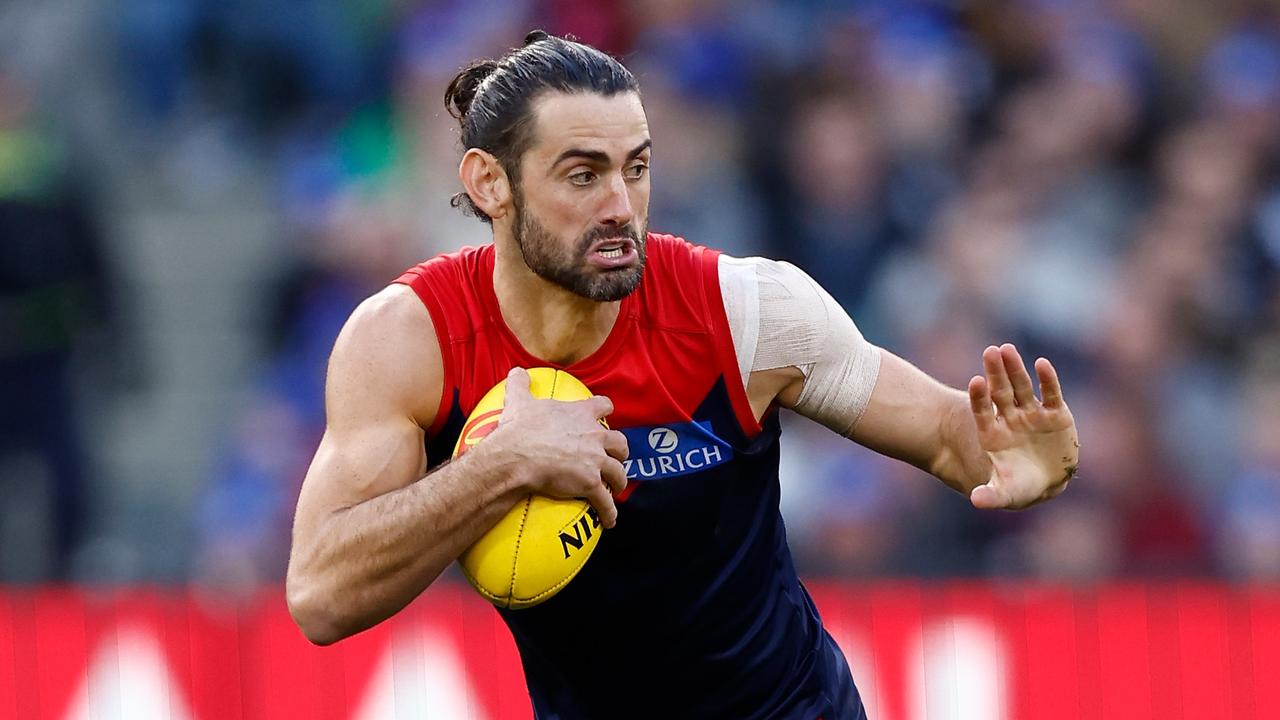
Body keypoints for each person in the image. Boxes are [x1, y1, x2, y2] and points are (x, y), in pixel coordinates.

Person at [285, 31, 1079, 719]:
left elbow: (948, 435)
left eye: (636, 168)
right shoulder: (410, 340)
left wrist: (1017, 460)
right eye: (582, 174)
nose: (621, 207)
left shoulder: (746, 312)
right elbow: (321, 595)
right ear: (490, 182)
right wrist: (500, 464)